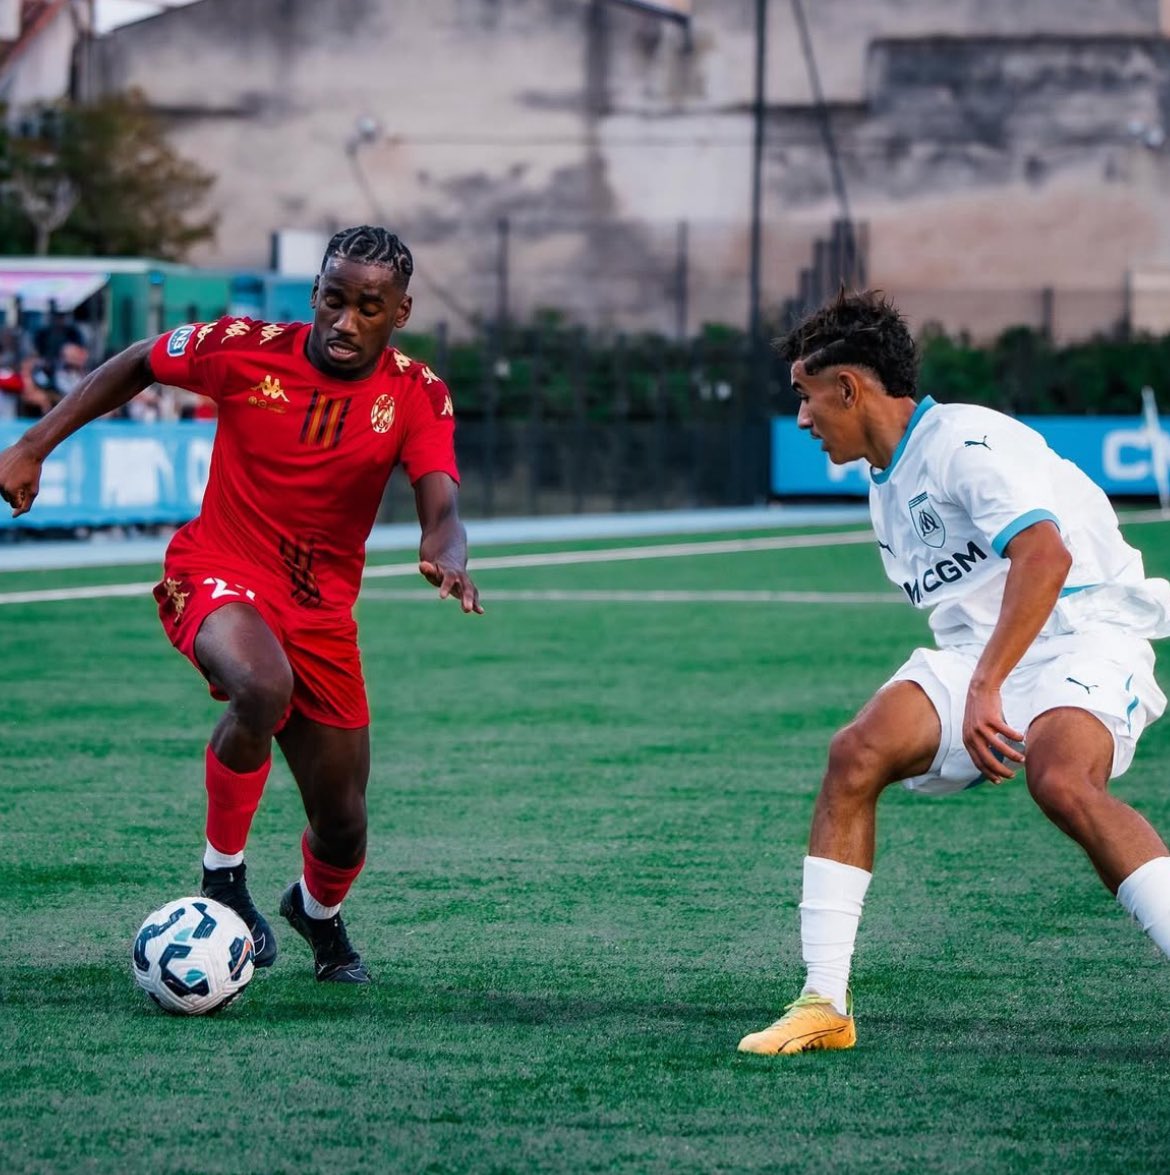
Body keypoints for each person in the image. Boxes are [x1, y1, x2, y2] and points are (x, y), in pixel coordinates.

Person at [0, 225, 483, 984]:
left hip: (320, 612)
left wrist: (445, 549)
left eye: (367, 306)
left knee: (345, 824)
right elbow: (137, 360)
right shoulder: (243, 345)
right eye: (332, 300)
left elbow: (441, 502)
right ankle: (222, 879)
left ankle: (316, 914)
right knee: (262, 685)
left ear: (400, 312)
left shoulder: (417, 393)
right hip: (217, 568)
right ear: (314, 294)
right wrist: (34, 445)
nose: (344, 321)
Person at [737, 289, 1170, 1055]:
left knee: (1062, 779)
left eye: (807, 397)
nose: (802, 419)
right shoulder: (885, 485)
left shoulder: (964, 443)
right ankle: (823, 1003)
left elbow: (1046, 554)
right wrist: (980, 680)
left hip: (1082, 627)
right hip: (989, 653)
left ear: (849, 387)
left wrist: (983, 688)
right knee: (855, 754)